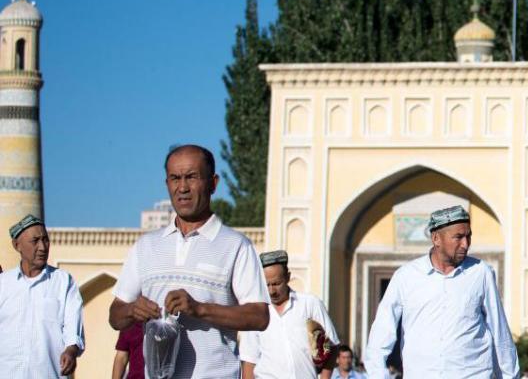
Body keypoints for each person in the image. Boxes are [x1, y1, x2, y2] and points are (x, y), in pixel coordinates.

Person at [109, 144, 270, 378]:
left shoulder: (235, 245)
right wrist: (133, 310)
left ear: (213, 183)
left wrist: (200, 309)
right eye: (175, 178)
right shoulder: (146, 246)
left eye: (192, 177)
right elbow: (115, 315)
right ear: (167, 184)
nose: (182, 187)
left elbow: (259, 316)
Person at [364, 205, 519, 378]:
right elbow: (381, 333)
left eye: (468, 236)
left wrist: (510, 375)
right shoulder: (406, 277)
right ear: (436, 238)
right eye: (458, 237)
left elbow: (500, 332)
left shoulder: (480, 272)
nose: (465, 244)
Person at [0, 214, 85, 377]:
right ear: (17, 245)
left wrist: (71, 350)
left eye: (45, 240)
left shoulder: (63, 282)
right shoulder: (3, 283)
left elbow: (73, 328)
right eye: (35, 241)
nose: (42, 247)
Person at [240, 250, 339, 378]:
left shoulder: (310, 304)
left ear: (287, 277)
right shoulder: (256, 313)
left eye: (276, 284)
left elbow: (333, 345)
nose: (271, 291)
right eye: (267, 285)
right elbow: (249, 359)